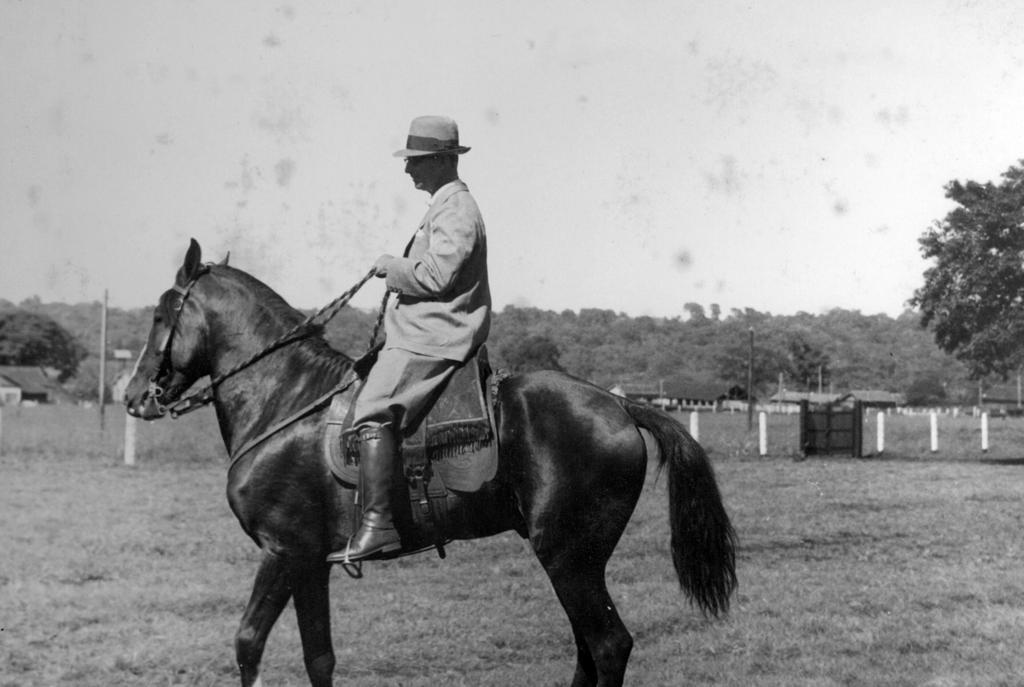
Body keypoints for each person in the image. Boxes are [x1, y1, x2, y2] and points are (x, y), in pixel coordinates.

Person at [327, 116, 491, 563]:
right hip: (422, 332)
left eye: (416, 161)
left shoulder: (456, 209)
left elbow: (437, 275)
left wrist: (391, 267)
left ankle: (378, 525)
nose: (407, 170)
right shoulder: (441, 207)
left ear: (441, 160)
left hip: (437, 337)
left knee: (372, 409)